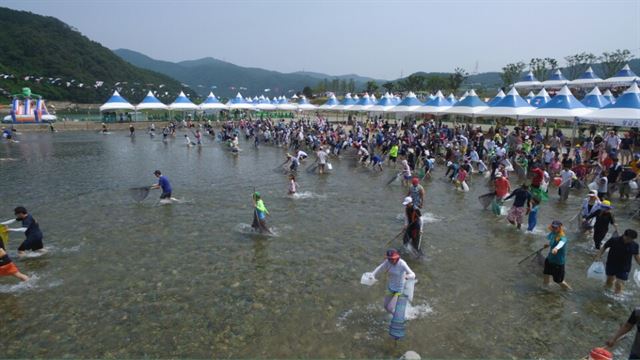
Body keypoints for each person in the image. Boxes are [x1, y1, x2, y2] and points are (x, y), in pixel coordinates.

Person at [370, 249, 416, 314]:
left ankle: (399, 316)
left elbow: (413, 274)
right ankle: (395, 314)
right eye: (389, 259)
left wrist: (407, 276)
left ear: (397, 257)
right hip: (390, 287)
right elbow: (380, 267)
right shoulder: (387, 262)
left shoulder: (402, 263)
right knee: (385, 306)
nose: (390, 260)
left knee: (390, 308)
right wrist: (373, 274)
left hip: (399, 290)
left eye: (392, 259)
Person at [595, 229, 640, 294]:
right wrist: (598, 256)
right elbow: (604, 247)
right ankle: (605, 293)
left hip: (624, 267)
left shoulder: (635, 245)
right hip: (611, 264)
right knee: (609, 281)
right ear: (624, 235)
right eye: (628, 238)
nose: (629, 240)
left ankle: (616, 298)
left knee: (618, 284)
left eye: (631, 239)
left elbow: (636, 256)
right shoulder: (614, 240)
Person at [542, 220, 571, 290]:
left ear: (560, 228)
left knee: (558, 281)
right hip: (549, 259)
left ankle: (569, 290)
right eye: (553, 227)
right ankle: (545, 289)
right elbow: (553, 242)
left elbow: (561, 243)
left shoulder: (563, 237)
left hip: (558, 263)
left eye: (556, 228)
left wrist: (556, 248)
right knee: (546, 274)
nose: (554, 229)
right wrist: (548, 245)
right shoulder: (553, 234)